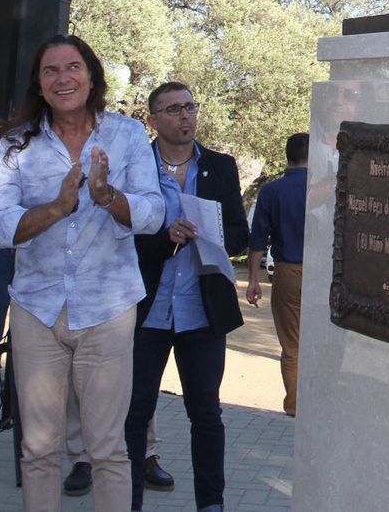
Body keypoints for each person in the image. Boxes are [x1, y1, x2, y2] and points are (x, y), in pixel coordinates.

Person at [0, 35, 163, 512]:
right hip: (36, 310)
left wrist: (107, 197)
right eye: (50, 71)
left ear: (92, 77)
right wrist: (59, 207)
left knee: (109, 449)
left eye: (73, 67)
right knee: (38, 449)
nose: (63, 78)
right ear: (39, 86)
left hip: (108, 309)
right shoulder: (16, 144)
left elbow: (153, 213)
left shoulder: (125, 136)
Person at [126, 81, 248, 512]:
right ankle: (129, 502)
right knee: (135, 413)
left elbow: (239, 232)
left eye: (190, 107)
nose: (185, 117)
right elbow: (121, 235)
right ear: (153, 119)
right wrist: (166, 237)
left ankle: (210, 504)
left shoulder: (221, 166)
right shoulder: (136, 167)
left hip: (203, 311)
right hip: (147, 312)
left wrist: (211, 236)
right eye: (174, 109)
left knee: (207, 415)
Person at [246, 132, 309, 416]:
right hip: (327, 275)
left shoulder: (272, 191)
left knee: (291, 343)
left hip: (289, 272)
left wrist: (253, 280)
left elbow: (258, 239)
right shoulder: (329, 186)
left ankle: (295, 405)